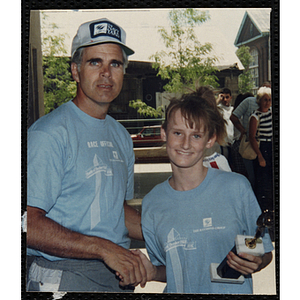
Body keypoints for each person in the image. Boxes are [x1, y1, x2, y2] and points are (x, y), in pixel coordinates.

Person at [26, 18, 148, 292]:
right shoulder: (50, 133)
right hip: (63, 273)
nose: (106, 73)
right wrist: (102, 248)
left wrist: (173, 230)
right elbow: (25, 223)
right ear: (75, 71)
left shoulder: (120, 136)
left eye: (115, 64)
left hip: (116, 273)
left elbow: (116, 212)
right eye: (95, 62)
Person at [138, 86, 273, 294]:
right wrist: (153, 272)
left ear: (210, 139)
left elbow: (262, 250)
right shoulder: (152, 203)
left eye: (196, 136)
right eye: (177, 133)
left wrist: (257, 261)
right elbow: (172, 269)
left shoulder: (236, 188)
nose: (185, 144)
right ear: (164, 133)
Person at [230, 82, 271, 189]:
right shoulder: (249, 102)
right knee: (251, 177)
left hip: (266, 145)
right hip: (250, 145)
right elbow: (234, 117)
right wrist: (243, 131)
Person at [249, 87, 273, 213]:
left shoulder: (272, 113)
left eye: (269, 100)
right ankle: (263, 209)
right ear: (259, 101)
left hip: (272, 146)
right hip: (262, 148)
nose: (267, 103)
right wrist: (260, 156)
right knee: (263, 181)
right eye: (265, 100)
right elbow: (252, 137)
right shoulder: (255, 116)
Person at [230, 92, 254, 177]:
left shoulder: (238, 114)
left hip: (237, 144)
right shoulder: (241, 116)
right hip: (241, 144)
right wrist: (244, 132)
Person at [216, 88, 234, 164]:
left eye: (227, 97)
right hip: (223, 142)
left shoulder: (233, 109)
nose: (225, 100)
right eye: (223, 97)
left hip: (232, 140)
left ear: (231, 97)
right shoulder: (218, 109)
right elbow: (209, 109)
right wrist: (218, 100)